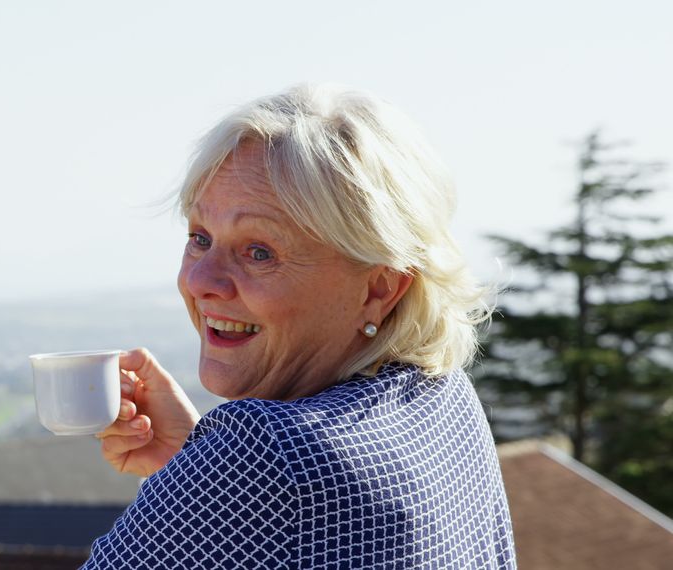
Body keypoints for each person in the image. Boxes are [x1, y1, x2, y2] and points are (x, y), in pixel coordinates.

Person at [83, 84, 516, 569]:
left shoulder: (264, 455)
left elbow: (285, 494)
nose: (201, 280)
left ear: (380, 289)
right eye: (200, 237)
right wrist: (188, 472)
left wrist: (214, 477)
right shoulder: (445, 397)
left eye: (260, 252)